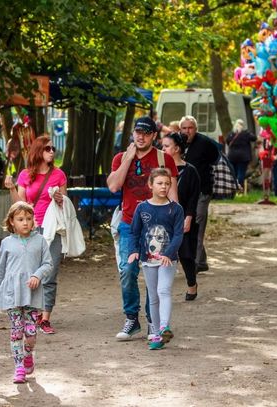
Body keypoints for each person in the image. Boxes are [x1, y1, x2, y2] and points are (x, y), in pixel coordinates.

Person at [107, 116, 178, 340]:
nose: (141, 137)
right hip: (129, 223)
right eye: (138, 132)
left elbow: (173, 194)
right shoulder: (121, 158)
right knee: (127, 271)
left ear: (154, 136)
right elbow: (114, 186)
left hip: (156, 227)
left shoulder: (164, 159)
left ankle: (152, 321)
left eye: (146, 133)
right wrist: (128, 158)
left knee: (153, 275)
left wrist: (177, 222)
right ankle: (131, 318)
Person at [0, 201, 53, 383]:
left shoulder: (40, 240)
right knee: (16, 331)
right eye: (20, 219)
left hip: (32, 294)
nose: (25, 223)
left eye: (29, 218)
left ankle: (28, 354)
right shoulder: (6, 243)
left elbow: (48, 264)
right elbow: (0, 271)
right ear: (12, 222)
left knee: (30, 333)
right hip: (11, 294)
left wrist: (37, 275)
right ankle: (19, 368)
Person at [5, 135, 67, 334]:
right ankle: (30, 313)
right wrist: (12, 188)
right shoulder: (25, 175)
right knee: (30, 271)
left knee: (50, 272)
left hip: (53, 229)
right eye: (48, 148)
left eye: (53, 149)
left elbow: (65, 204)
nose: (52, 152)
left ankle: (45, 318)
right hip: (31, 229)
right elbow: (19, 204)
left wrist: (60, 199)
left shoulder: (59, 175)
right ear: (38, 151)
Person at [128, 168, 184, 350]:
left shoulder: (176, 209)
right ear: (150, 185)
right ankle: (157, 335)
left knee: (163, 290)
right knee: (153, 297)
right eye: (160, 183)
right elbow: (134, 232)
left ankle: (163, 327)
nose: (164, 187)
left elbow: (178, 235)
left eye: (167, 184)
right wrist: (133, 251)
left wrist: (169, 253)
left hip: (168, 259)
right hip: (148, 259)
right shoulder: (142, 208)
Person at [162, 132, 201, 300]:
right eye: (162, 146)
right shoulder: (160, 170)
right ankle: (163, 291)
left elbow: (194, 197)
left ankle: (192, 284)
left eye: (166, 146)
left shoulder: (190, 171)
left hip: (183, 216)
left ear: (177, 149)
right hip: (163, 218)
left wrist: (189, 217)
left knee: (185, 255)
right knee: (164, 255)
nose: (162, 149)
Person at [180, 115, 220, 272]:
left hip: (203, 191)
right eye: (184, 128)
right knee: (189, 226)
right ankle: (201, 261)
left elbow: (216, 159)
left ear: (195, 129)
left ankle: (194, 264)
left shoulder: (205, 143)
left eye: (190, 128)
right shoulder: (178, 143)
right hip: (185, 193)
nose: (187, 131)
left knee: (196, 225)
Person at [225, 119, 257, 190]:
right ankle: (239, 188)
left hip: (232, 156)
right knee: (241, 173)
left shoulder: (231, 134)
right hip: (243, 157)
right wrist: (248, 132)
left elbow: (227, 141)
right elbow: (254, 138)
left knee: (234, 173)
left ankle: (232, 188)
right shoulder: (246, 134)